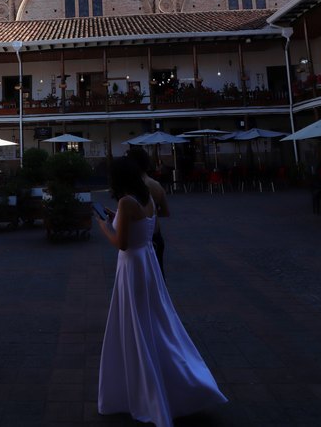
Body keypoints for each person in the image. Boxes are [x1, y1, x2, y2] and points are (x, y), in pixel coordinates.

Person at [95, 158, 227, 426]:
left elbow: (121, 244)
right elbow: (148, 229)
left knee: (136, 323)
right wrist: (117, 219)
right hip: (148, 261)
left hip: (132, 264)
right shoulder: (147, 197)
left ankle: (146, 389)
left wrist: (104, 227)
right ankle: (177, 380)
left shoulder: (126, 202)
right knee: (155, 319)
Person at [125, 147, 170, 275]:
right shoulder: (156, 184)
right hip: (157, 235)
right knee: (159, 278)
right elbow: (166, 212)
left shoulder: (135, 187)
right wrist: (153, 214)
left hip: (140, 239)